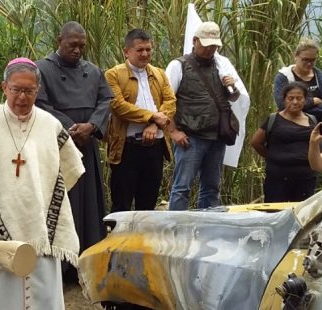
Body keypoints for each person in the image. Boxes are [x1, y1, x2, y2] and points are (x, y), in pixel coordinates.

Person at [0, 57, 84, 309]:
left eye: (29, 91)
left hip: (41, 226)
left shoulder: (50, 125)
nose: (22, 97)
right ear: (4, 87)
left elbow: (69, 170)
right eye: (16, 89)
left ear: (37, 90)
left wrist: (42, 193)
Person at [35, 21, 110, 272]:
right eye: (72, 45)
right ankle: (63, 263)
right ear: (60, 40)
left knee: (89, 202)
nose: (77, 50)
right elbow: (41, 103)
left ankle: (88, 257)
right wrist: (70, 129)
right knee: (63, 200)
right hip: (58, 145)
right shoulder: (42, 69)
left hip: (87, 144)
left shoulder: (93, 71)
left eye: (81, 46)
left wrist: (92, 126)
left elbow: (106, 99)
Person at [165, 21, 245, 210]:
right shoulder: (178, 65)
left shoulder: (222, 65)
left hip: (217, 137)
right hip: (190, 137)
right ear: (195, 41)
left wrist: (231, 86)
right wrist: (173, 132)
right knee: (182, 187)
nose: (210, 49)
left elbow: (233, 97)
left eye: (214, 46)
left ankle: (207, 225)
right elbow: (166, 101)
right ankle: (176, 226)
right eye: (206, 45)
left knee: (211, 188)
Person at [105, 28, 176, 212]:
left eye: (148, 49)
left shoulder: (159, 74)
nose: (145, 54)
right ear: (126, 51)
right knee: (121, 205)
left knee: (147, 205)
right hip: (127, 149)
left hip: (155, 148)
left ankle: (144, 233)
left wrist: (154, 125)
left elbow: (171, 102)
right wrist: (152, 116)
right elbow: (118, 105)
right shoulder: (113, 75)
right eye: (140, 50)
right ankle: (120, 233)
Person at [251, 82, 318, 202]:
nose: (295, 102)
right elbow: (256, 142)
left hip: (305, 178)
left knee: (302, 211)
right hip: (277, 179)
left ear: (305, 100)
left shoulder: (312, 120)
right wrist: (273, 156)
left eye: (299, 98)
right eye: (290, 98)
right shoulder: (273, 119)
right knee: (275, 211)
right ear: (284, 100)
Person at [273, 38, 322, 123]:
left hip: (318, 126)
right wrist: (312, 101)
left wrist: (298, 111)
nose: (309, 63)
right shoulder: (283, 77)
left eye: (313, 60)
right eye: (305, 59)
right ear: (295, 56)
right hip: (290, 126)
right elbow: (282, 105)